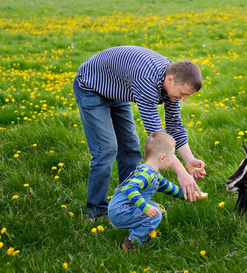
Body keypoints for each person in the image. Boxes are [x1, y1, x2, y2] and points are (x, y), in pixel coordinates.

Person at [73, 46, 206, 220]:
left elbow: (174, 126)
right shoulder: (147, 81)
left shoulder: (172, 83)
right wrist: (181, 174)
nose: (184, 99)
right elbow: (158, 139)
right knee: (106, 149)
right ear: (171, 80)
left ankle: (128, 203)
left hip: (117, 88)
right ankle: (97, 213)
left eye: (187, 95)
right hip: (91, 86)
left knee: (130, 148)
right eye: (182, 94)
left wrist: (189, 160)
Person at [109, 132, 184, 250]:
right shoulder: (146, 174)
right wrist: (145, 207)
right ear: (163, 158)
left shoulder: (153, 174)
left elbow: (167, 186)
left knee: (154, 207)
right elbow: (130, 189)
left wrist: (187, 195)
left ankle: (132, 229)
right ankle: (133, 242)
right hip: (121, 211)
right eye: (172, 156)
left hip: (121, 209)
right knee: (155, 214)